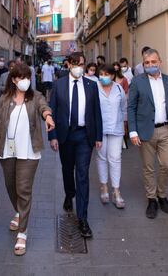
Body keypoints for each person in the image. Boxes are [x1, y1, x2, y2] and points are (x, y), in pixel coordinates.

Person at [0, 63, 55, 256]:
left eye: (27, 77)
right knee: (11, 187)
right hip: (6, 150)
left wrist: (48, 117)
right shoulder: (4, 99)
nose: (24, 81)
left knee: (23, 189)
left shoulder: (36, 97)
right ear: (14, 79)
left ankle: (22, 233)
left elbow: (44, 107)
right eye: (20, 77)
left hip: (28, 152)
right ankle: (19, 212)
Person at [48, 52, 103, 238]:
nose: (80, 67)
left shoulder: (92, 85)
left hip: (84, 137)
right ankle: (68, 193)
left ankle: (83, 219)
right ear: (69, 65)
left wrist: (98, 136)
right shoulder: (58, 85)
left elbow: (97, 112)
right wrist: (52, 136)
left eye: (82, 64)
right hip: (65, 135)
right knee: (67, 170)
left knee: (82, 175)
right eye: (77, 64)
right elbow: (52, 112)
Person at [128, 48, 168, 219]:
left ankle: (162, 194)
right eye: (147, 63)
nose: (150, 65)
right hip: (145, 131)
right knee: (148, 167)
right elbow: (131, 107)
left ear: (160, 62)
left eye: (153, 62)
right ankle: (152, 199)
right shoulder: (137, 82)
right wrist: (133, 131)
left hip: (166, 129)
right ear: (143, 64)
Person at [96, 65, 127, 209]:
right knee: (102, 157)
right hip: (100, 130)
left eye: (107, 74)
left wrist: (125, 125)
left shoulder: (119, 88)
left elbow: (123, 108)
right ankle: (104, 187)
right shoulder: (94, 88)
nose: (104, 76)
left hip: (116, 128)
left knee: (115, 158)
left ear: (113, 75)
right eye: (101, 74)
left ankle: (116, 190)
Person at [113, 62, 129, 149]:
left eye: (117, 69)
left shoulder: (124, 79)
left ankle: (122, 140)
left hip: (122, 102)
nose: (115, 71)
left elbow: (126, 91)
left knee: (123, 122)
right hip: (112, 104)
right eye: (113, 69)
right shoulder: (109, 80)